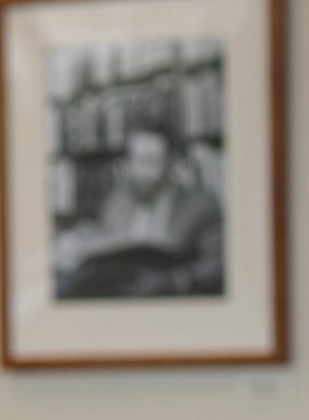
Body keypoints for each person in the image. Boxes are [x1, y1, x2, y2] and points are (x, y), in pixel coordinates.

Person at [52, 123, 225, 299]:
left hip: (168, 299)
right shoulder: (117, 201)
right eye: (135, 160)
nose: (141, 171)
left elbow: (218, 264)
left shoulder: (201, 205)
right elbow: (106, 242)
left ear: (170, 163)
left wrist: (174, 281)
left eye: (150, 161)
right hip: (115, 292)